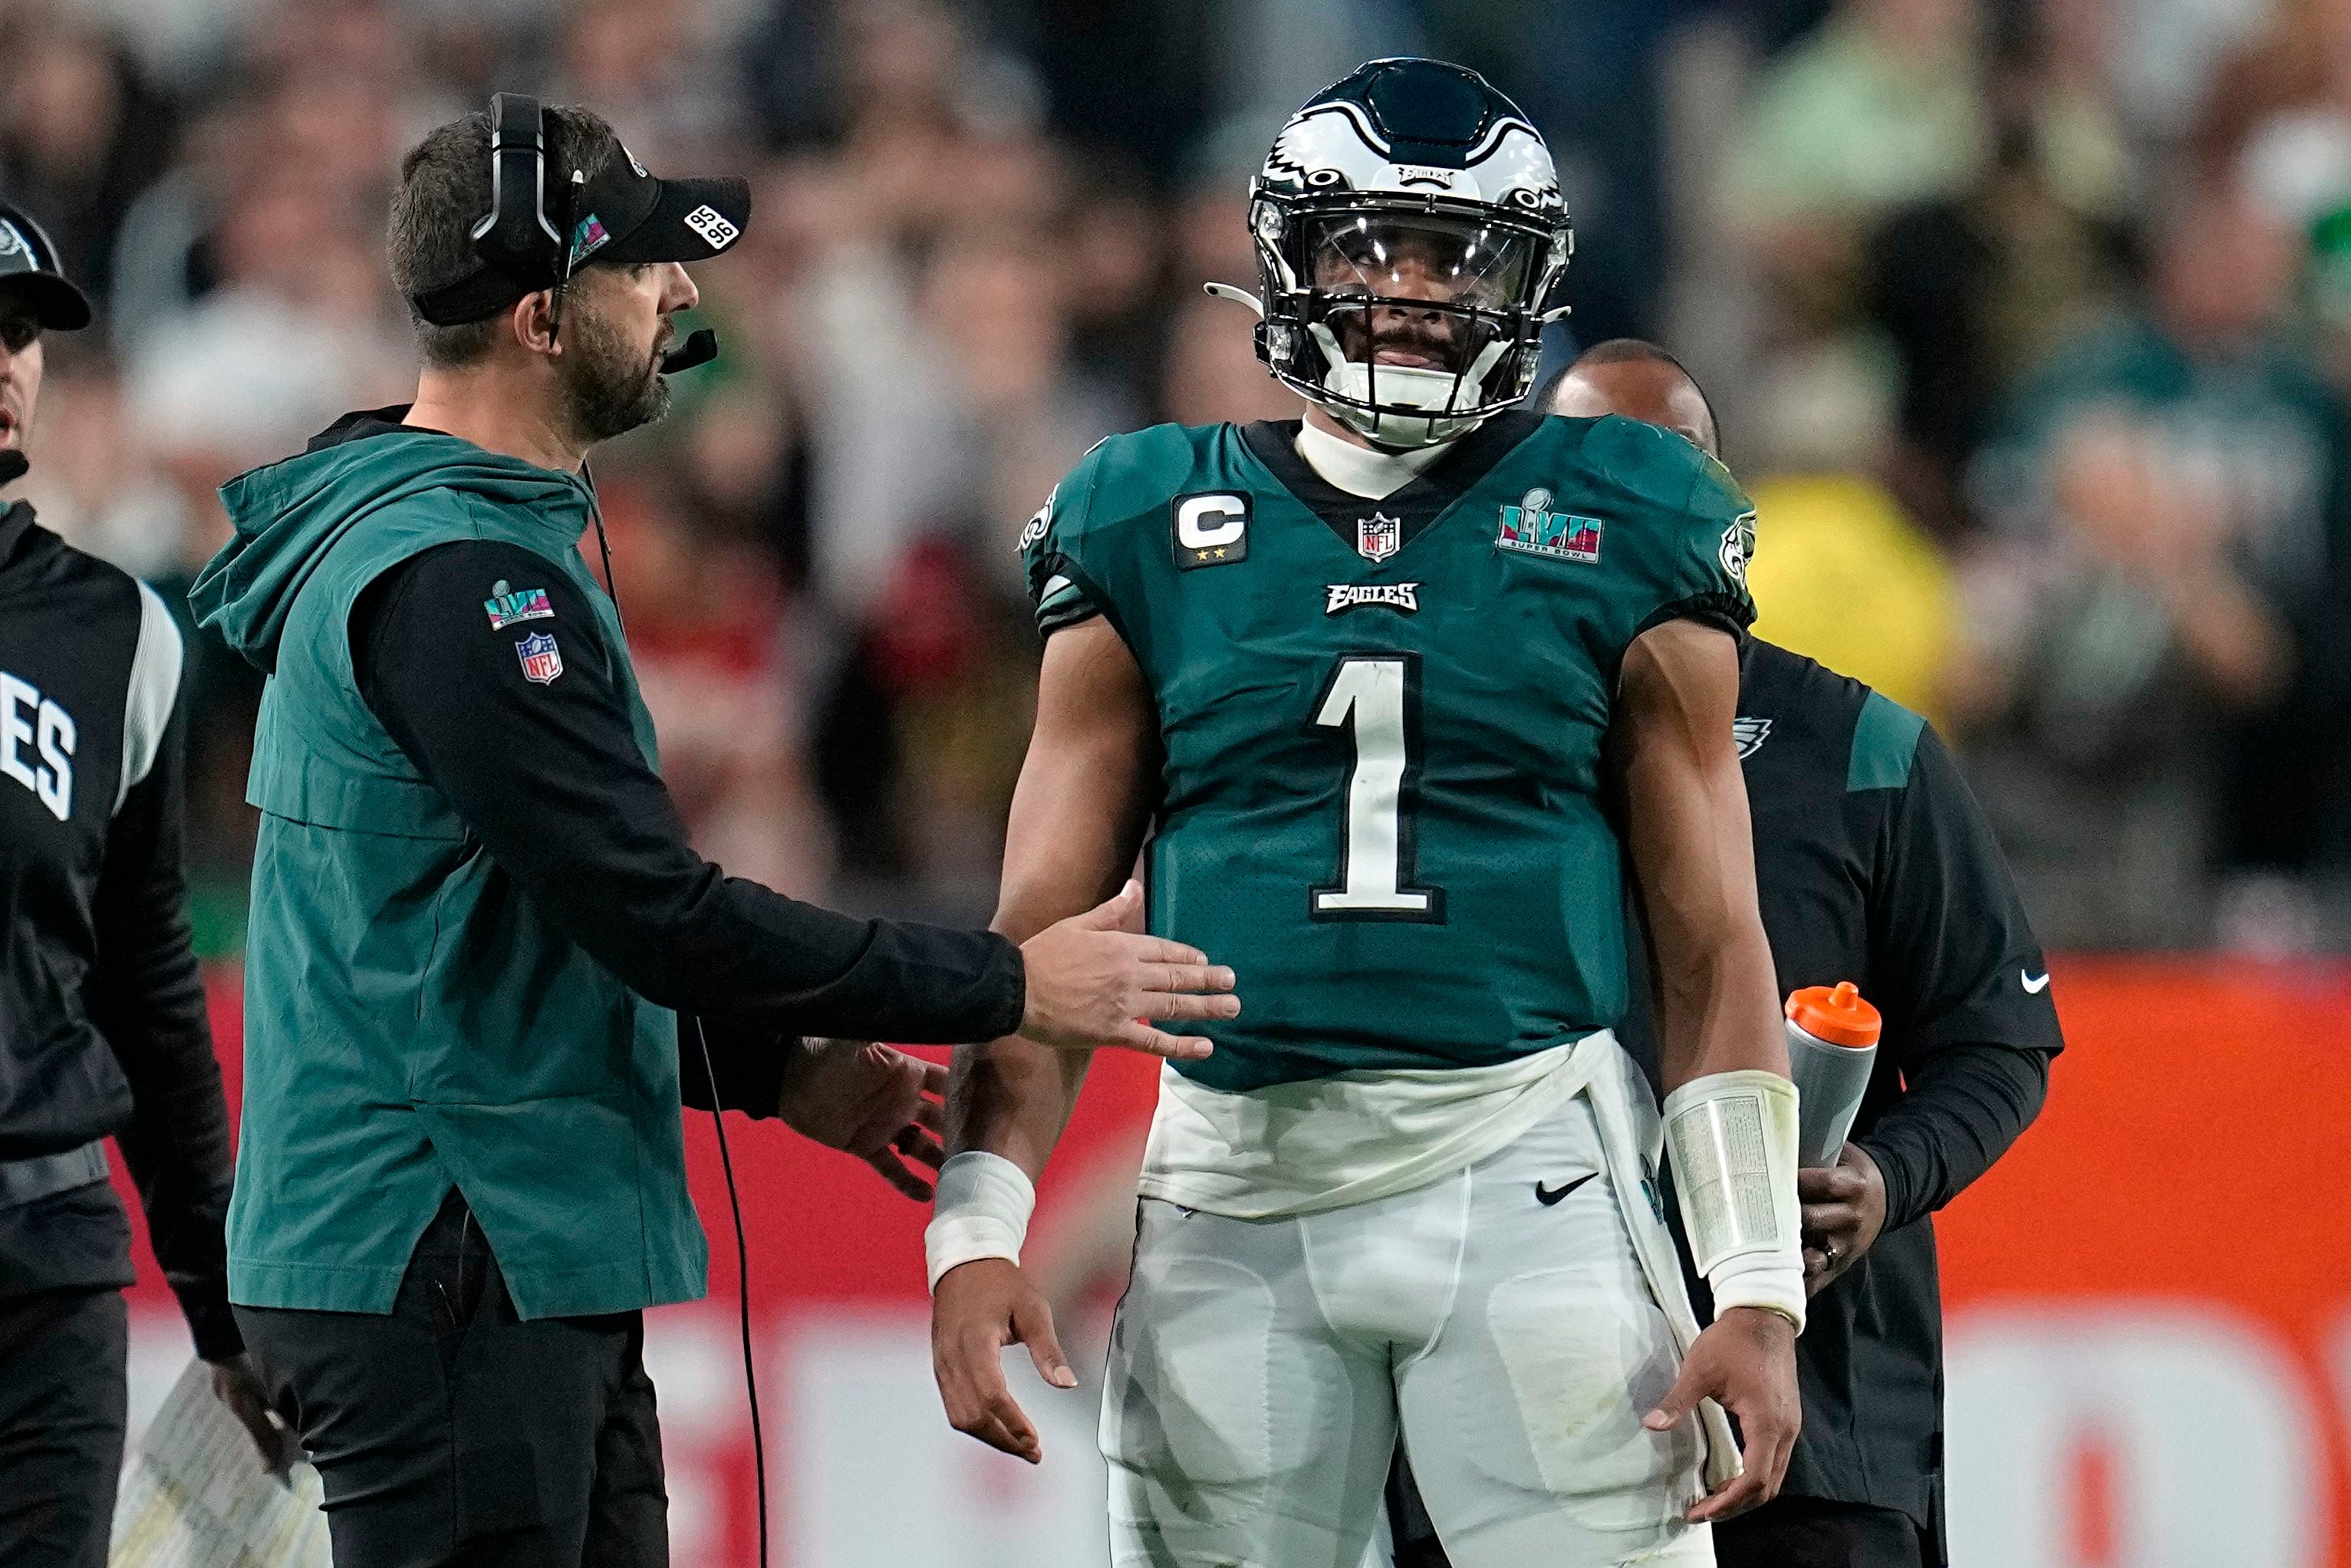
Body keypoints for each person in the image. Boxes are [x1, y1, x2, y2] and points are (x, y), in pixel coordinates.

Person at [186, 101, 1238, 1568]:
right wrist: (1011, 985)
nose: (685, 295)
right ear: (546, 318)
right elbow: (649, 908)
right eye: (646, 271)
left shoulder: (457, 542)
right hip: (442, 1245)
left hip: (480, 1243)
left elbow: (512, 934)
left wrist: (762, 1066)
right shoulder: (458, 581)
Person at [928, 61, 1806, 1568]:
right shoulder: (1147, 508)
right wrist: (977, 1222)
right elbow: (1045, 929)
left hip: (1529, 1165)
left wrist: (1756, 1279)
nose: (1410, 287)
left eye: (1456, 252)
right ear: (1292, 260)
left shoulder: (1627, 506)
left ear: (1525, 278)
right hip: (1228, 1188)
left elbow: (1714, 936)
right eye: (1370, 246)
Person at [1382, 340, 2063, 1568]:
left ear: (1723, 502)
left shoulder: (1864, 751)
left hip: (1820, 1421)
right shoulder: (1431, 750)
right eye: (1583, 467)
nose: (1623, 500)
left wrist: (1882, 1179)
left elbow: (1995, 1041)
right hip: (1504, 1418)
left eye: (1666, 465)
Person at [0, 195, 295, 1568]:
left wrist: (226, 1314)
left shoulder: (115, 631)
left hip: (42, 1272)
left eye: (21, 335)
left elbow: (147, 986)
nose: (7, 363)